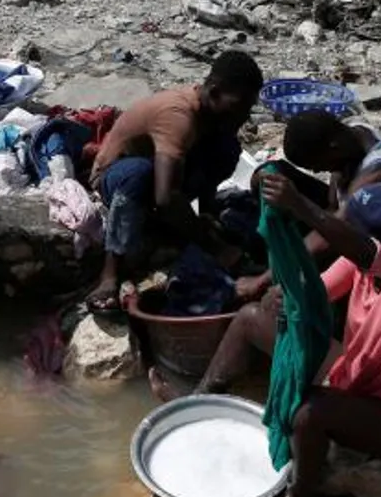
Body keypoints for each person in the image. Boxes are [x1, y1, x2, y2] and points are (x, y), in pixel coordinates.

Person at [154, 178, 381, 497]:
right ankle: (198, 405)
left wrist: (301, 206)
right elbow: (312, 293)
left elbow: (363, 249)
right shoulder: (361, 267)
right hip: (352, 372)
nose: (345, 236)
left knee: (307, 411)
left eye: (352, 230)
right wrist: (283, 298)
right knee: (249, 320)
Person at [84, 51, 265, 312]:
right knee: (141, 174)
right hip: (119, 178)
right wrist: (216, 248)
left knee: (226, 146)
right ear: (214, 93)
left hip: (162, 175)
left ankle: (206, 215)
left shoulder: (210, 112)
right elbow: (165, 197)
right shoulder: (178, 115)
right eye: (240, 106)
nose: (244, 116)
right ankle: (110, 271)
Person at [232, 109, 381, 304]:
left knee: (297, 291)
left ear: (334, 148)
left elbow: (334, 233)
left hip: (378, 242)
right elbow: (331, 206)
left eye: (319, 166)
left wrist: (262, 280)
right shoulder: (351, 137)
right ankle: (284, 258)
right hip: (345, 217)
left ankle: (287, 270)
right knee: (270, 174)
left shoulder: (377, 173)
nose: (318, 171)